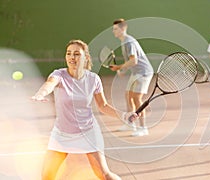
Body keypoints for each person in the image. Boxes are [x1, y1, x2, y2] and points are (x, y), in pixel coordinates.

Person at [31, 39, 135, 179]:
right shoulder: (59, 75)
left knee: (104, 175)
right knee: (47, 176)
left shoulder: (93, 79)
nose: (72, 57)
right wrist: (41, 93)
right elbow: (49, 84)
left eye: (76, 54)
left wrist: (124, 115)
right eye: (68, 53)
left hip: (88, 132)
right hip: (62, 134)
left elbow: (103, 106)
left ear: (85, 57)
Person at [110, 18, 154, 137]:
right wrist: (122, 69)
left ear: (123, 28)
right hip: (136, 72)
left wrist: (119, 67)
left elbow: (133, 61)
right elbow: (130, 62)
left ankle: (143, 128)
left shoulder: (129, 42)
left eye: (116, 29)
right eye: (113, 29)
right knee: (128, 95)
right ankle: (131, 123)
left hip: (144, 72)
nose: (114, 31)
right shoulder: (124, 42)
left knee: (136, 99)